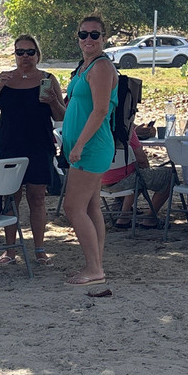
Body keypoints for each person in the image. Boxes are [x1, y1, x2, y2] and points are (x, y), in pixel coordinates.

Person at [0, 35, 65, 267]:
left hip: (39, 145)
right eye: (20, 52)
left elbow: (61, 116)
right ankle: (10, 250)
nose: (25, 57)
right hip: (10, 145)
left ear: (38, 54)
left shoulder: (48, 79)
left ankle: (40, 249)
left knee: (37, 198)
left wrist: (53, 102)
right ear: (15, 54)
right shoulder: (5, 78)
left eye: (30, 52)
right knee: (10, 198)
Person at [61, 16, 118, 286]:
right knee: (91, 206)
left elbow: (101, 110)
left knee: (73, 207)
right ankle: (96, 264)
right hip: (84, 146)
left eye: (95, 34)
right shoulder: (85, 66)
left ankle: (94, 269)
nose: (88, 39)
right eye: (83, 34)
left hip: (92, 147)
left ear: (103, 38)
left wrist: (80, 144)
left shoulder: (102, 66)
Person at [101, 126, 172, 230]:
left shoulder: (95, 130)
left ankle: (124, 214)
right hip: (126, 181)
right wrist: (147, 171)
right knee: (168, 175)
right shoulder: (126, 131)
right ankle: (149, 218)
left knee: (136, 176)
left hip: (99, 182)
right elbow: (142, 160)